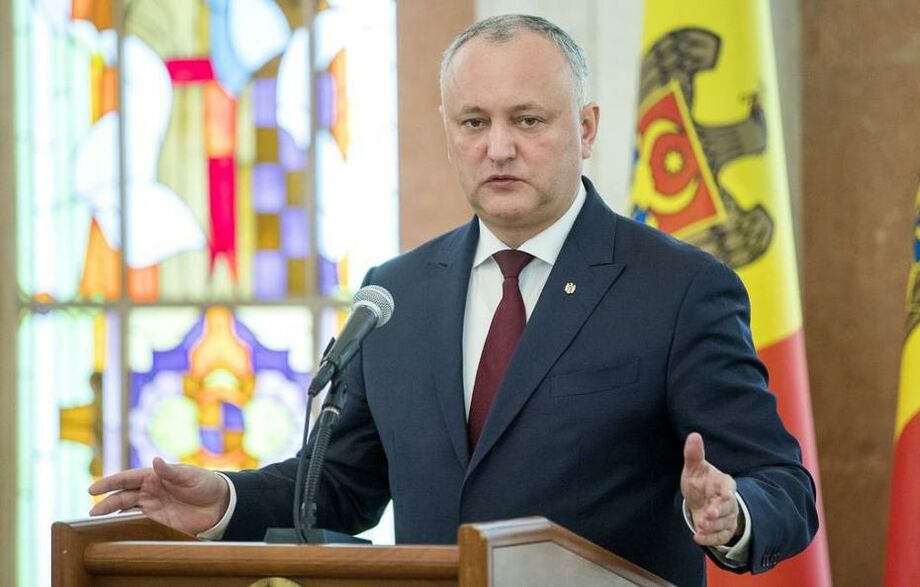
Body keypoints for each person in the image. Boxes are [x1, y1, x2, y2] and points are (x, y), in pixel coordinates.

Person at [89, 15, 817, 585]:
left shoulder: (677, 287)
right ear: (449, 130)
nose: (498, 146)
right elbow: (339, 487)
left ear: (586, 129)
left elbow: (786, 485)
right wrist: (224, 500)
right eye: (475, 122)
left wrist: (732, 513)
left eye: (527, 120)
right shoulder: (395, 293)